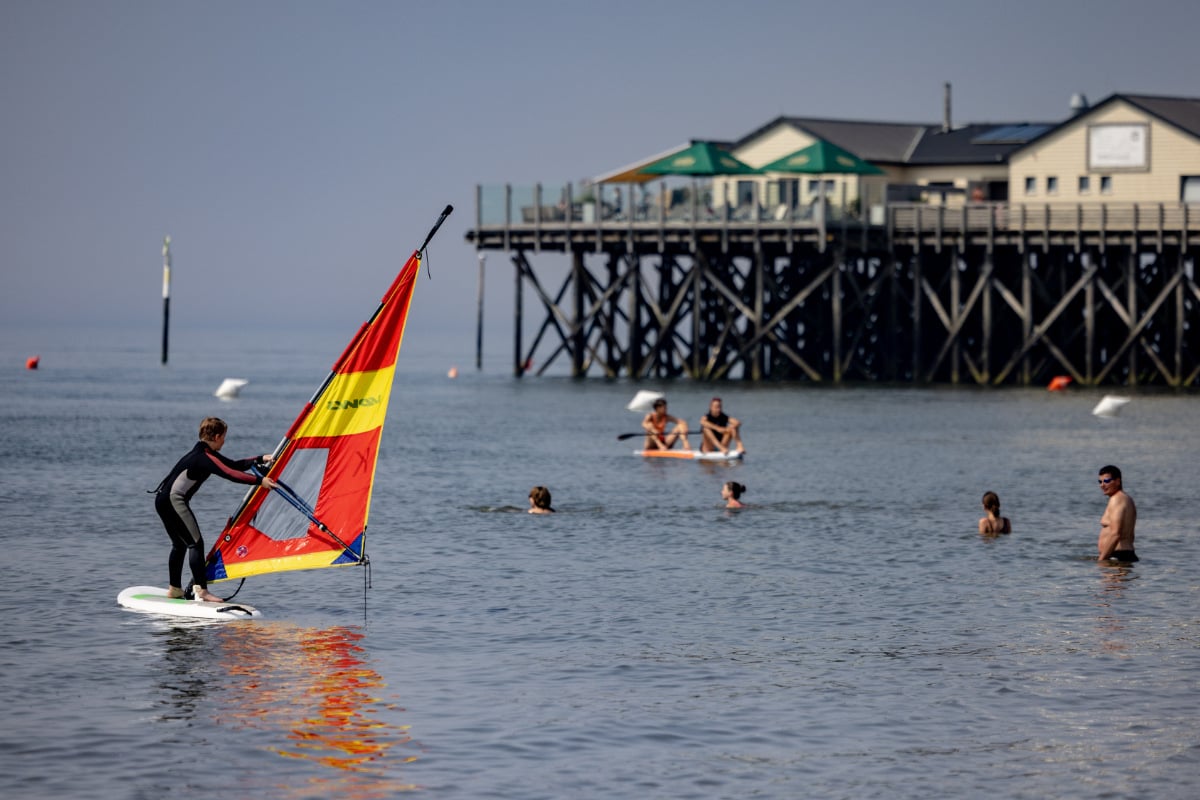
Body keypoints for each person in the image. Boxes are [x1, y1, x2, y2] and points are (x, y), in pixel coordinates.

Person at [154, 417, 277, 602]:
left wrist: (259, 459)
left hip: (162, 500)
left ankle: (175, 589)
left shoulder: (203, 452)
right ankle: (202, 591)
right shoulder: (204, 457)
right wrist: (260, 481)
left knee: (179, 545)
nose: (224, 441)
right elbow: (230, 474)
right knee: (195, 544)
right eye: (224, 437)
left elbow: (233, 465)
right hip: (173, 500)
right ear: (217, 436)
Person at [1097, 465, 1138, 562]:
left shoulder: (1117, 499)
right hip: (1122, 555)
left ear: (1118, 481)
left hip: (1118, 556)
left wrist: (1101, 560)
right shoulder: (1125, 499)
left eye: (1106, 481)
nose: (1102, 485)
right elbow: (1130, 536)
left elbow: (1116, 534)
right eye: (1100, 481)